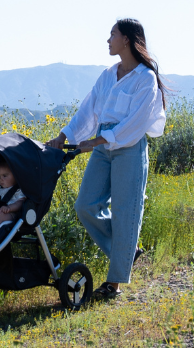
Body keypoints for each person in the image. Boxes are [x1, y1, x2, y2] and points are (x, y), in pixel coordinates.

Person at [45, 18, 167, 299]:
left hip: (129, 148)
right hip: (102, 147)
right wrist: (64, 136)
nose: (108, 40)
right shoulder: (108, 75)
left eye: (112, 34)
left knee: (126, 212)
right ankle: (128, 250)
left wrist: (98, 141)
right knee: (86, 205)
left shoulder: (145, 79)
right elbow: (88, 110)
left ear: (126, 39)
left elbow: (136, 123)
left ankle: (114, 284)